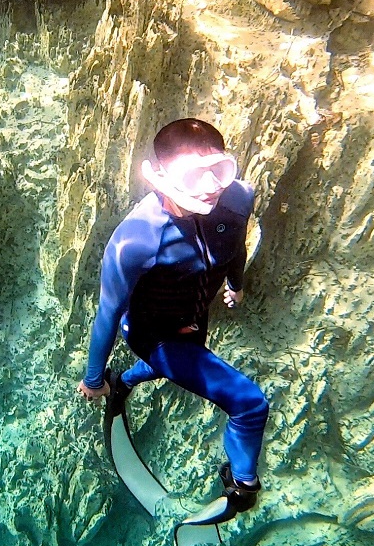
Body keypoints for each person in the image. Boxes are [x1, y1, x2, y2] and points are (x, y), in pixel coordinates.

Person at [77, 118, 268, 512]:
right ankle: (242, 485)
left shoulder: (239, 199)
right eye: (195, 174)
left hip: (195, 319)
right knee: (250, 404)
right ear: (162, 175)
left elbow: (236, 246)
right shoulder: (135, 240)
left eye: (219, 169)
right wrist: (92, 379)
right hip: (154, 334)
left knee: (181, 361)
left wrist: (235, 283)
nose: (212, 185)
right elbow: (108, 314)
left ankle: (125, 382)